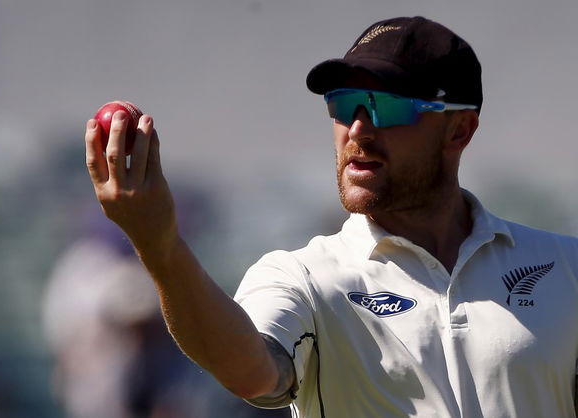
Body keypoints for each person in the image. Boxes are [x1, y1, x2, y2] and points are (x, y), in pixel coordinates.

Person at [84, 16, 578, 418]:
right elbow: (253, 373)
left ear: (459, 130)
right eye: (344, 104)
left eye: (386, 105)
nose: (358, 130)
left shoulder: (566, 265)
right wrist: (159, 245)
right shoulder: (302, 276)